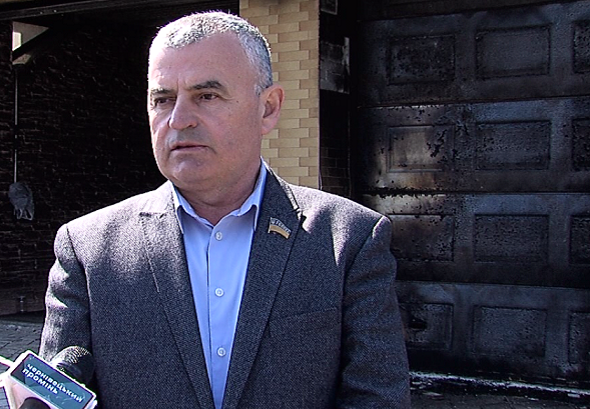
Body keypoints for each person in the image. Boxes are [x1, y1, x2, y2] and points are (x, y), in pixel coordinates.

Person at [39, 11, 410, 409]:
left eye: (207, 96)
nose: (179, 120)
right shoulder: (88, 248)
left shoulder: (347, 240)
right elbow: (56, 394)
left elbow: (377, 398)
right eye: (162, 100)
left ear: (268, 108)